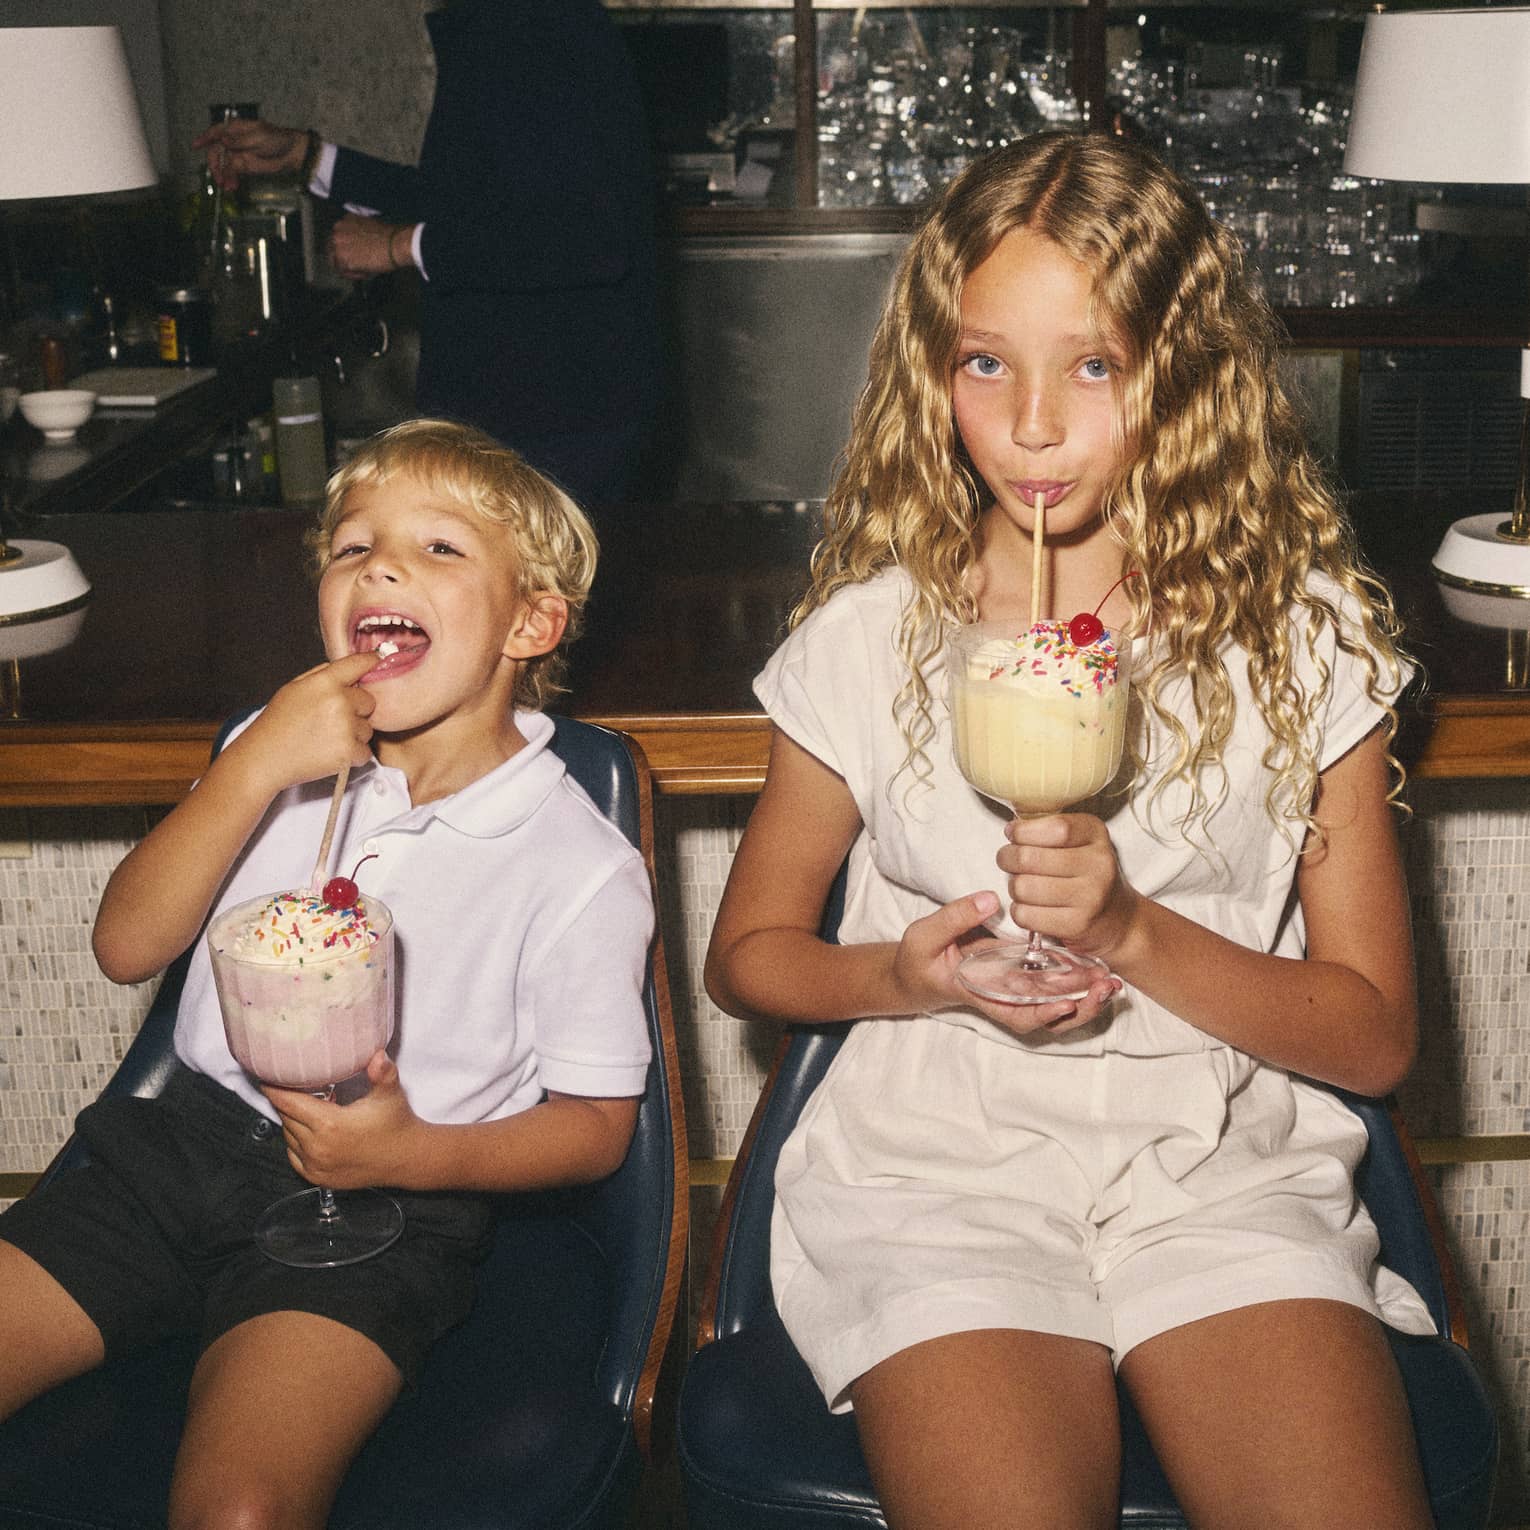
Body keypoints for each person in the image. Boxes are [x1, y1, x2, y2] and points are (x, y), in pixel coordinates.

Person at [704, 131, 1438, 1528]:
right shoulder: (869, 640)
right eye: (985, 362)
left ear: (1185, 369)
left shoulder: (1302, 644)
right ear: (931, 372)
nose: (1031, 424)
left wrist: (1129, 930)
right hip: (940, 1166)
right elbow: (745, 958)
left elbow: (1373, 1038)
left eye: (1092, 363)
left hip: (1216, 1161)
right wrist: (902, 974)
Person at [0, 419, 654, 1529]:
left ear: (531, 623)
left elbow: (595, 1129)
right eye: (353, 547)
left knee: (240, 1511)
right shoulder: (271, 756)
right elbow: (125, 948)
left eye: (438, 548)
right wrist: (253, 765)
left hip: (388, 1207)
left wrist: (408, 1151)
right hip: (174, 1154)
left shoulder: (577, 863)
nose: (380, 567)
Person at [195, 0, 662, 508]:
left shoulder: (538, 26)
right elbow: (473, 203)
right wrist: (310, 158)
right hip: (533, 416)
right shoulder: (506, 24)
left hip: (553, 424)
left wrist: (399, 245)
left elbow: (587, 239)